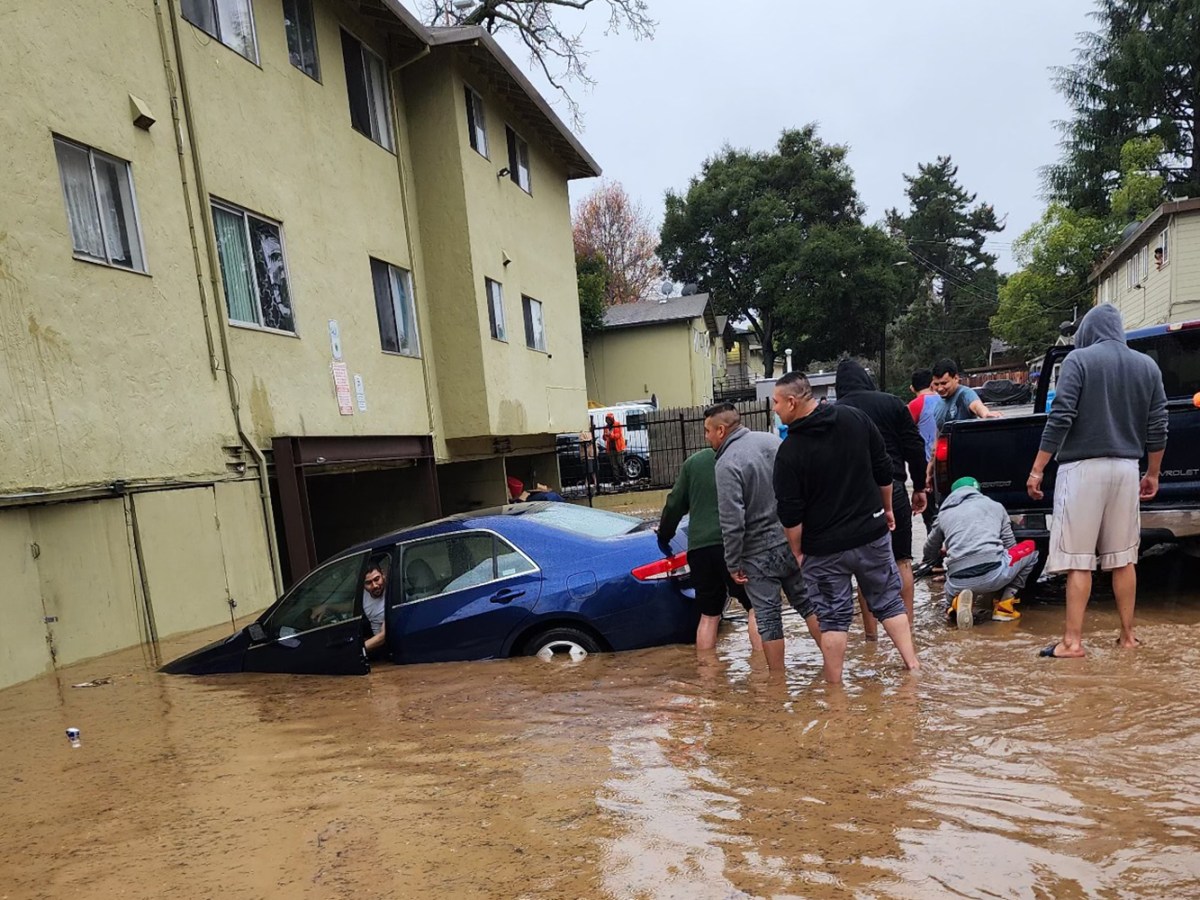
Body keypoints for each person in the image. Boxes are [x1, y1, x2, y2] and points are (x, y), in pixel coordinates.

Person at [1027, 303, 1168, 658]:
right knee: (1123, 559)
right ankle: (1128, 636)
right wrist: (1152, 473)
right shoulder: (1147, 366)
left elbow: (1061, 416)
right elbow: (1158, 424)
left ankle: (1072, 643)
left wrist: (1038, 468)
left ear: (1087, 333)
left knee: (1079, 560)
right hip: (1126, 468)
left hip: (1082, 470)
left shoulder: (1079, 361)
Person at [772, 372, 920, 684]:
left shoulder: (790, 451)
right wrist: (889, 510)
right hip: (871, 533)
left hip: (822, 549)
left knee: (833, 619)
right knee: (889, 601)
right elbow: (884, 470)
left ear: (791, 401)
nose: (774, 409)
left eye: (775, 402)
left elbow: (790, 513)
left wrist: (797, 550)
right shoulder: (855, 419)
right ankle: (913, 666)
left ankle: (835, 688)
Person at [707, 402, 819, 671]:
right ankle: (834, 663)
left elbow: (732, 520)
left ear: (721, 430)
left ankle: (777, 684)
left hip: (756, 553)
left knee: (768, 619)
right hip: (791, 541)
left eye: (708, 431)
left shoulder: (726, 464)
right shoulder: (772, 442)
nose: (707, 437)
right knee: (808, 604)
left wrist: (732, 562)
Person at [833, 360, 928, 632]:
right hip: (895, 487)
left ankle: (871, 636)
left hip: (853, 496)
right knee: (902, 560)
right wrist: (920, 487)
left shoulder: (835, 412)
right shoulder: (893, 403)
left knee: (864, 565)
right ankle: (906, 628)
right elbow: (915, 447)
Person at [658, 447, 763, 654]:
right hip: (734, 544)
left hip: (699, 549)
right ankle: (765, 674)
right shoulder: (743, 456)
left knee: (708, 614)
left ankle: (708, 676)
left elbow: (674, 505)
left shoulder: (693, 463)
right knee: (755, 607)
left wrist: (664, 534)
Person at [927, 476, 1039, 627]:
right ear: (977, 491)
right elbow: (1010, 545)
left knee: (953, 591)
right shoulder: (995, 506)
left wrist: (938, 554)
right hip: (993, 574)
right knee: (1031, 548)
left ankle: (954, 605)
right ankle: (1004, 606)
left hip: (956, 582)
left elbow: (929, 549)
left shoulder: (943, 515)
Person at [925, 359, 1002, 493]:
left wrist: (986, 414)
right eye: (936, 384)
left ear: (956, 378)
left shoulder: (965, 394)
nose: (940, 388)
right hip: (948, 468)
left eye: (944, 383)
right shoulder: (938, 405)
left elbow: (976, 405)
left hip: (968, 465)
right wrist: (930, 468)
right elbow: (938, 438)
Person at [361, 564, 388, 654]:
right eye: (368, 583)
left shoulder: (391, 593)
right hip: (373, 642)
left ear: (383, 575)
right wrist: (329, 607)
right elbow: (351, 606)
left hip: (385, 645)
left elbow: (383, 636)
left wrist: (358, 650)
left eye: (377, 579)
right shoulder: (364, 594)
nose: (375, 585)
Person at [602, 413, 626, 484]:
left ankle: (625, 478)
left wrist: (610, 435)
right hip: (611, 449)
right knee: (614, 465)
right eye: (606, 419)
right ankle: (617, 480)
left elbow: (618, 435)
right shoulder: (606, 427)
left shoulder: (617, 424)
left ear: (612, 419)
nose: (607, 421)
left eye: (609, 419)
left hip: (619, 448)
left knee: (620, 463)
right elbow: (605, 438)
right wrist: (604, 436)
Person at [577, 426, 599, 492]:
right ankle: (587, 483)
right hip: (587, 455)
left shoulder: (592, 433)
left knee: (594, 470)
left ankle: (595, 482)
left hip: (593, 454)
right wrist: (590, 442)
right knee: (588, 470)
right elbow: (583, 443)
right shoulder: (582, 434)